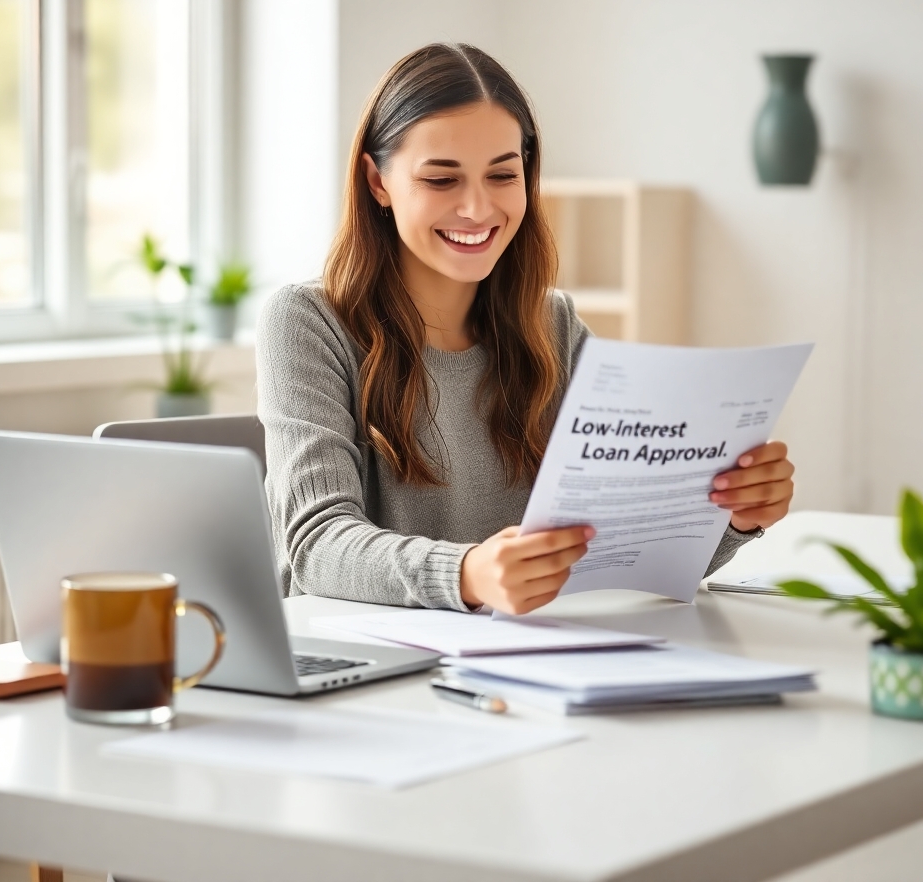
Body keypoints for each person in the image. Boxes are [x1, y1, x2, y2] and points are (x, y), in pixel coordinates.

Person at [256, 43, 795, 615]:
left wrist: (731, 517)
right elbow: (316, 545)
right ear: (377, 181)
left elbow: (624, 553)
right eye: (442, 179)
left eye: (503, 175)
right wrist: (467, 574)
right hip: (370, 663)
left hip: (518, 662)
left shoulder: (552, 326)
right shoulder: (307, 322)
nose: (477, 208)